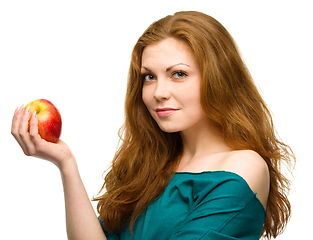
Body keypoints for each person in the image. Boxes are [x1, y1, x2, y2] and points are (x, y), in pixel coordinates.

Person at [11, 11, 295, 240]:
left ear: (217, 78)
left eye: (178, 74)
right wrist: (66, 164)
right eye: (149, 77)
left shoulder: (242, 168)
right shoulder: (152, 164)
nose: (158, 92)